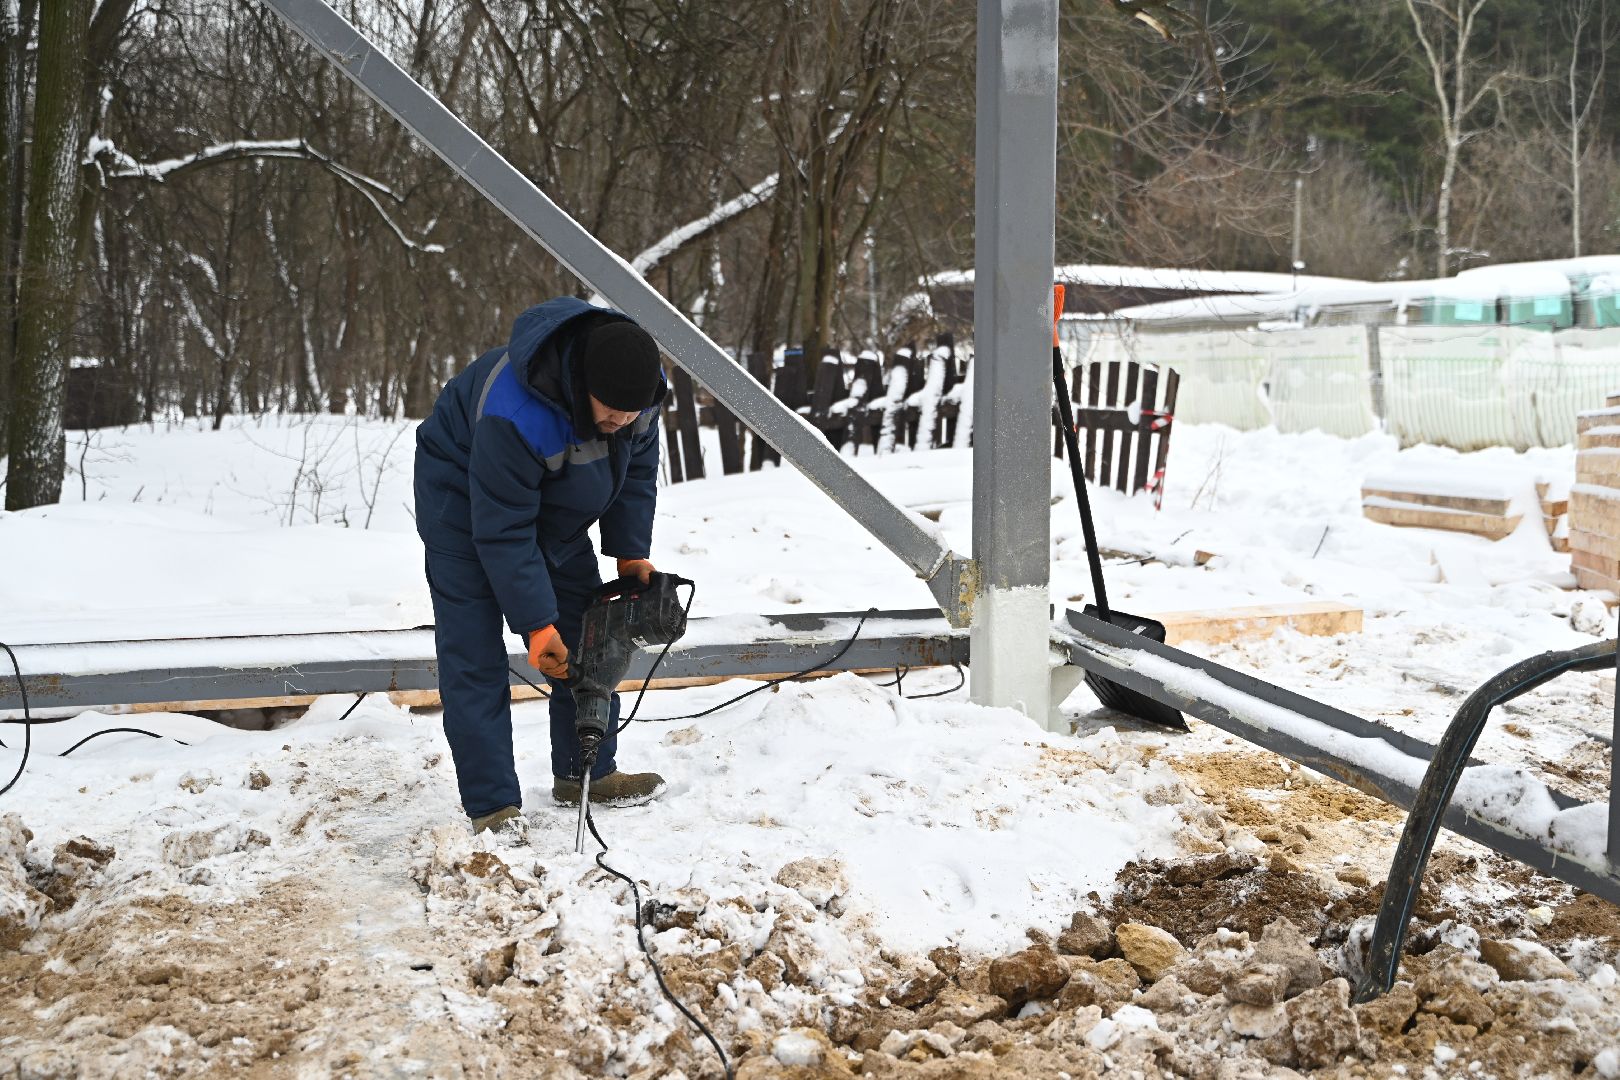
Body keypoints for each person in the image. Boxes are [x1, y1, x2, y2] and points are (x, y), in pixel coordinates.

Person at [414, 297, 667, 833]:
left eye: (632, 414)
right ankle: (492, 805)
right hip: (463, 507)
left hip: (550, 509)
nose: (622, 423)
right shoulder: (518, 412)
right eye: (611, 412)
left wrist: (629, 550)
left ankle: (584, 771)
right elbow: (502, 528)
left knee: (586, 630)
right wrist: (534, 625)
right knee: (474, 655)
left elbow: (638, 469)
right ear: (582, 383)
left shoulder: (639, 388)